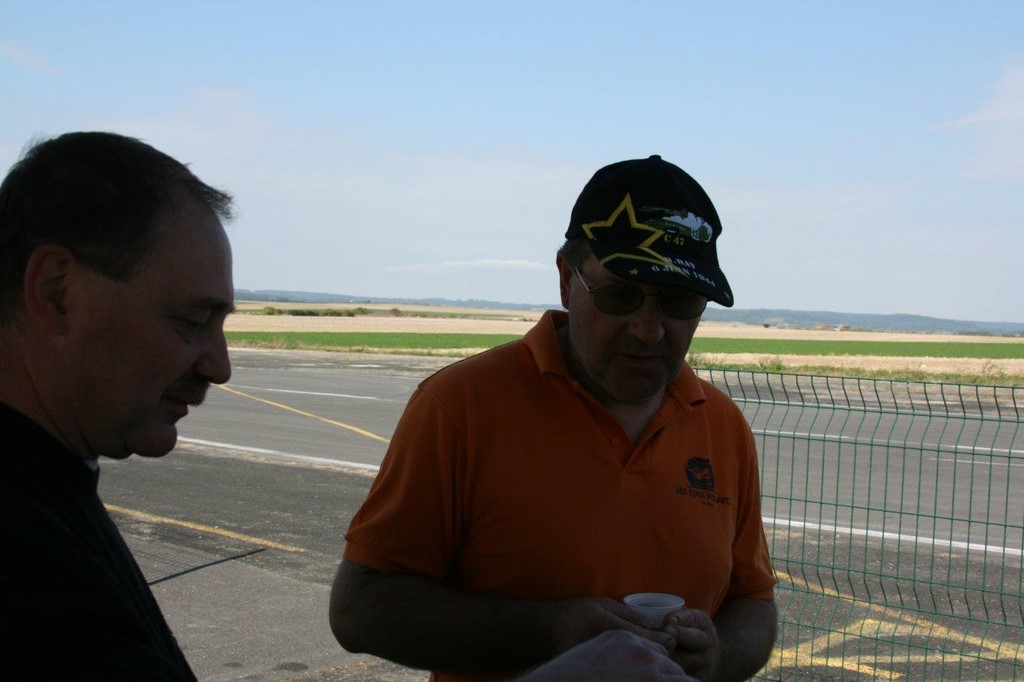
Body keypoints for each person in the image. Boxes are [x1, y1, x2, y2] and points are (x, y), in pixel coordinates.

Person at [329, 155, 777, 681]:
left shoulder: (722, 425)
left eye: (678, 302)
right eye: (619, 294)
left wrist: (717, 655)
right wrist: (550, 630)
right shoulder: (460, 406)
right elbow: (359, 609)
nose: (648, 329)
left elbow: (754, 602)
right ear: (567, 280)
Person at [0, 131, 235, 680]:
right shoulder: (27, 568)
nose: (219, 367)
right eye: (192, 321)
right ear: (56, 291)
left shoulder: (46, 486)